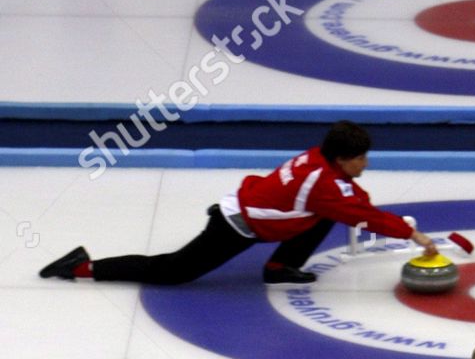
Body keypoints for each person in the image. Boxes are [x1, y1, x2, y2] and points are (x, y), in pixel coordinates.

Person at [37, 121, 439, 287]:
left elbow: (354, 202)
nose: (366, 163)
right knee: (171, 272)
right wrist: (415, 235)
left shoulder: (324, 165)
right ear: (341, 160)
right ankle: (80, 267)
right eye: (361, 158)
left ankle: (279, 267)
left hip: (254, 210)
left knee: (322, 217)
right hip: (238, 224)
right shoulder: (325, 186)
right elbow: (364, 215)